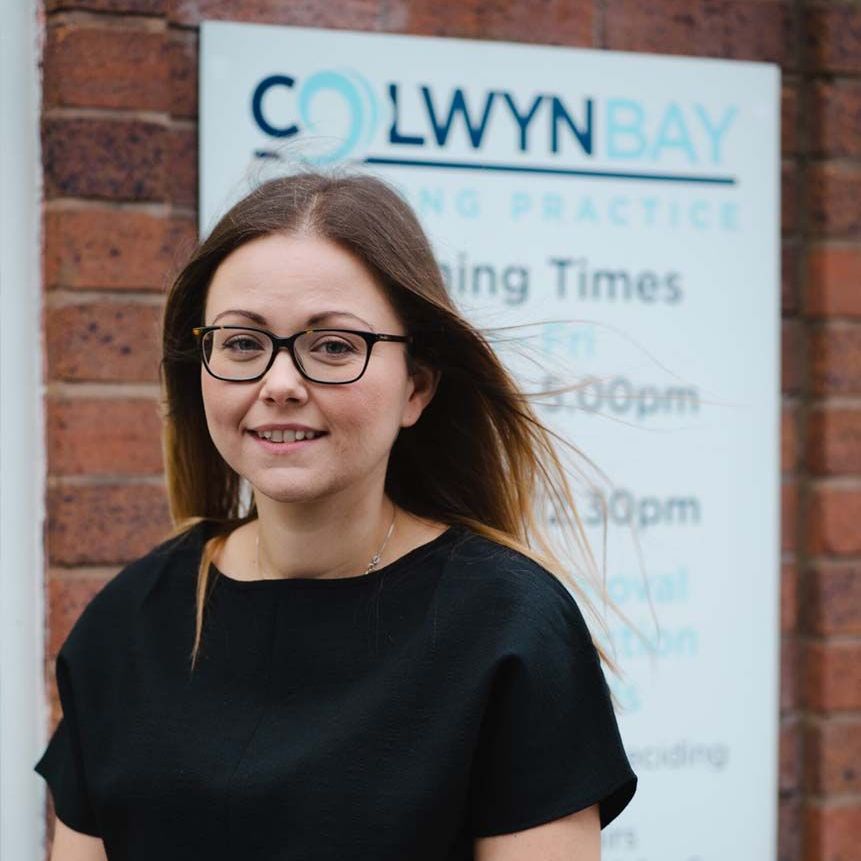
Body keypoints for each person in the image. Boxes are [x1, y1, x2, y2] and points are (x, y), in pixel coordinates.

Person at [34, 170, 637, 861]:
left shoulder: (506, 626)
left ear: (416, 385)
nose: (280, 383)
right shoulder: (128, 624)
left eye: (333, 346)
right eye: (240, 343)